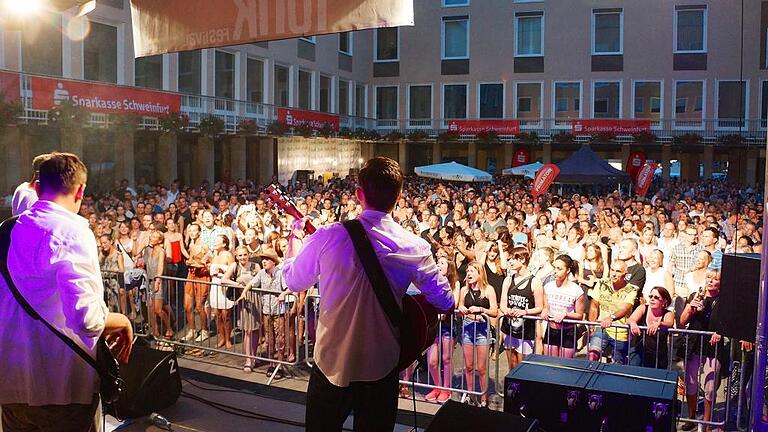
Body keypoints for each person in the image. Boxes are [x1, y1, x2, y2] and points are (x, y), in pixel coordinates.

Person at [282, 157, 454, 431]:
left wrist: (294, 240)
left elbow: (292, 281)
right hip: (381, 366)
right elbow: (445, 300)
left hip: (331, 363)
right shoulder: (414, 247)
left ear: (359, 194)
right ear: (398, 197)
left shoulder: (328, 235)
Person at [0, 152, 132, 431]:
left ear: (36, 187)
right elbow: (86, 320)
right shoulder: (73, 232)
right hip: (63, 388)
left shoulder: (6, 230)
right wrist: (122, 321)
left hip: (11, 385)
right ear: (81, 190)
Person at [679, 269, 727, 432]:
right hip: (694, 344)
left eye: (716, 279)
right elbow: (682, 321)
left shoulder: (724, 300)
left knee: (710, 387)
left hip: (712, 347)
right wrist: (690, 309)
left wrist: (720, 333)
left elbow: (728, 323)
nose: (711, 281)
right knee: (691, 383)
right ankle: (692, 416)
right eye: (709, 278)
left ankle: (707, 423)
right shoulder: (696, 295)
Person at [458, 261, 499, 407]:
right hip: (468, 328)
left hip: (482, 329)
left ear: (480, 273)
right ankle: (470, 394)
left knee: (481, 368)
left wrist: (482, 310)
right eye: (468, 271)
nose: (468, 274)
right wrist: (462, 308)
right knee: (468, 366)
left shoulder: (489, 289)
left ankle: (483, 397)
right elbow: (460, 305)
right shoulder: (464, 290)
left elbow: (495, 311)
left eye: (472, 271)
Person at [424, 255, 460, 404]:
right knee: (432, 360)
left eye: (442, 263)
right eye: (438, 263)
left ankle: (446, 389)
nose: (439, 265)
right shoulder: (433, 282)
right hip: (434, 324)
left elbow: (454, 303)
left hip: (447, 324)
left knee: (446, 358)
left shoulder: (454, 283)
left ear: (449, 266)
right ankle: (437, 387)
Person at [587, 260, 638, 365]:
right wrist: (591, 325)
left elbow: (624, 309)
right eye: (612, 270)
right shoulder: (601, 283)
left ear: (625, 274)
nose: (614, 274)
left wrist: (611, 318)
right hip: (601, 328)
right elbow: (594, 305)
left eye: (618, 271)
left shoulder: (631, 290)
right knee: (592, 355)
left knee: (618, 364)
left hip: (620, 332)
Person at [500, 246, 543, 369]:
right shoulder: (508, 280)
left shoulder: (535, 282)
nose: (510, 262)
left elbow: (540, 307)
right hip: (509, 328)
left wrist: (524, 312)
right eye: (509, 259)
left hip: (526, 331)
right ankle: (510, 389)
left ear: (523, 260)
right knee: (511, 365)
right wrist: (506, 310)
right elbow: (502, 303)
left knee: (522, 368)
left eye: (513, 259)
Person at [542, 254, 585, 358]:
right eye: (554, 268)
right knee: (550, 364)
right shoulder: (548, 287)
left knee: (565, 366)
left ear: (568, 270)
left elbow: (579, 315)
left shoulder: (577, 290)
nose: (555, 271)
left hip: (568, 331)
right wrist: (544, 310)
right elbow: (546, 307)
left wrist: (565, 314)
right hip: (551, 329)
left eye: (559, 268)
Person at [628, 286, 675, 368]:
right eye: (651, 296)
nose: (652, 299)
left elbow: (670, 323)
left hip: (658, 355)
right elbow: (631, 319)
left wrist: (659, 323)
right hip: (638, 351)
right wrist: (633, 323)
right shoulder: (643, 308)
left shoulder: (668, 313)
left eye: (656, 297)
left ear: (664, 301)